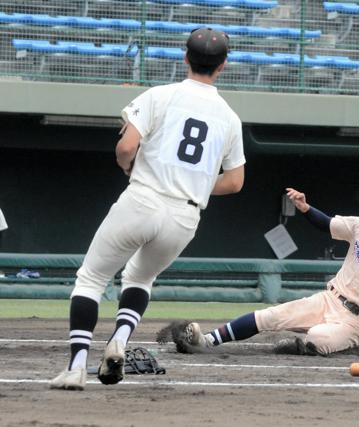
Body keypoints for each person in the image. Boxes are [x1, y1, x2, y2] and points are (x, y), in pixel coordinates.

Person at [50, 27, 246, 390]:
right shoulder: (230, 118)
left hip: (144, 196)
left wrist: (127, 166)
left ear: (185, 58)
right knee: (140, 279)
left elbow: (127, 147)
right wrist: (197, 184)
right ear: (223, 66)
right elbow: (235, 182)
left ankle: (77, 366)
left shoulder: (160, 95)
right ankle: (120, 342)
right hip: (185, 215)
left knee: (91, 279)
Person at [172, 185, 359, 358]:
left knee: (318, 338)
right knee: (269, 316)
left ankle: (340, 344)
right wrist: (305, 208)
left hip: (357, 320)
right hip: (328, 300)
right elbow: (327, 224)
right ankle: (206, 340)